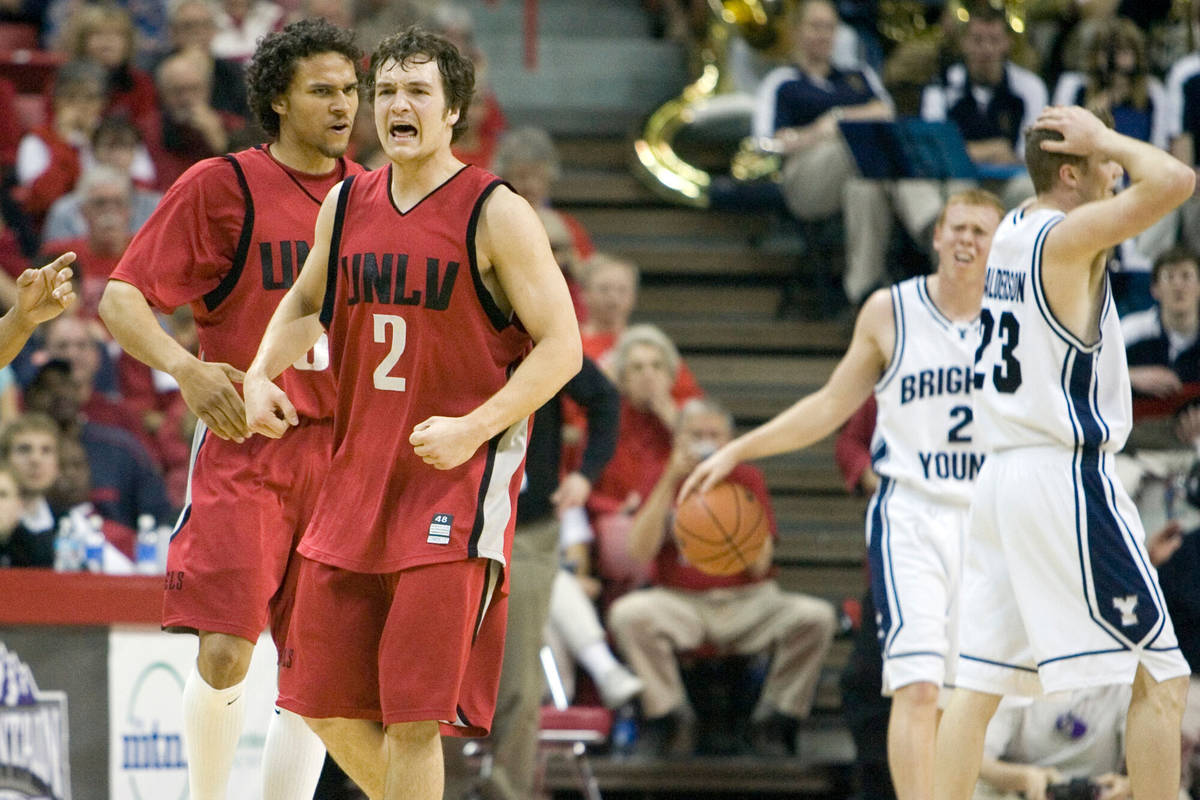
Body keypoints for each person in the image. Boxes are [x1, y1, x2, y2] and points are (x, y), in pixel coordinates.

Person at [241, 27, 581, 800]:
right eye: (386, 90)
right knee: (319, 705)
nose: (398, 104)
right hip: (354, 483)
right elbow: (304, 300)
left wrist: (473, 427)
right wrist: (262, 373)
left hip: (450, 493)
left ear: (453, 110)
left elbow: (563, 349)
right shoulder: (347, 201)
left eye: (418, 91)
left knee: (411, 719)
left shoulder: (496, 212)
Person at [97, 18, 363, 800]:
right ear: (278, 99)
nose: (344, 104)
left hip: (345, 458)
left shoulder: (377, 199)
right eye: (323, 90)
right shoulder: (224, 185)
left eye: (351, 89)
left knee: (320, 678)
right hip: (250, 448)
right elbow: (121, 299)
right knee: (226, 652)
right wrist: (188, 368)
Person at [682, 189, 1005, 800]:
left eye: (980, 231)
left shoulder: (1018, 318)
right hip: (910, 513)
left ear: (999, 244)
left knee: (966, 698)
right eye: (956, 228)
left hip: (989, 521)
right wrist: (737, 449)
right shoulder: (890, 311)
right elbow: (831, 405)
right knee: (916, 686)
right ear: (935, 237)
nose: (966, 239)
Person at [931, 105, 1194, 800]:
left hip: (1002, 479)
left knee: (979, 684)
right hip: (1064, 476)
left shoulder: (1015, 227)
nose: (1118, 172)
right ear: (1071, 172)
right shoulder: (1065, 238)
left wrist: (1094, 143)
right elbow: (1175, 180)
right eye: (1104, 163)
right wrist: (1108, 138)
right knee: (1162, 675)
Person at [611, 397, 838, 757]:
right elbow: (638, 552)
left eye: (714, 435)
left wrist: (730, 526)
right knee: (629, 614)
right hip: (681, 602)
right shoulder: (660, 473)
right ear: (678, 438)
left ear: (729, 440)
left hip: (750, 601)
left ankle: (775, 718)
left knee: (816, 618)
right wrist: (672, 479)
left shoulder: (747, 477)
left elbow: (761, 567)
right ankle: (670, 716)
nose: (706, 442)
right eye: (696, 434)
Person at [456, 356, 626, 800]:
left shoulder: (539, 326)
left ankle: (508, 792)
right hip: (447, 526)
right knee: (435, 674)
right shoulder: (445, 320)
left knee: (517, 680)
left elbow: (605, 397)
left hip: (526, 530)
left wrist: (588, 475)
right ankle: (432, 789)